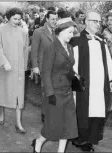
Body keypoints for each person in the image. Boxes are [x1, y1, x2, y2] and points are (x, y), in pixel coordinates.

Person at [69, 11, 112, 152]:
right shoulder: (76, 40)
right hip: (84, 84)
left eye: (99, 21)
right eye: (94, 21)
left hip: (99, 85)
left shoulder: (101, 41)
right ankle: (79, 139)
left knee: (96, 111)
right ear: (86, 22)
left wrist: (111, 78)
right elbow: (71, 63)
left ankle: (90, 138)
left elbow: (108, 61)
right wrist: (74, 82)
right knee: (82, 110)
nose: (98, 24)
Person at [31, 17, 78, 153]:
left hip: (67, 91)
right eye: (69, 32)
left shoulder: (70, 47)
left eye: (72, 32)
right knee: (53, 125)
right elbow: (46, 73)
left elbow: (68, 68)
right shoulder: (51, 49)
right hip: (55, 93)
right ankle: (38, 143)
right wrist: (50, 94)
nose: (71, 35)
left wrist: (75, 78)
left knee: (68, 124)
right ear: (60, 31)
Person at [0, 8, 29, 134]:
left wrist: (24, 68)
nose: (17, 21)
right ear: (8, 17)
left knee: (19, 95)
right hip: (5, 67)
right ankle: (1, 112)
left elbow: (25, 50)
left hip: (18, 69)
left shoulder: (23, 31)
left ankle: (18, 123)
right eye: (15, 19)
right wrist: (4, 62)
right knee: (4, 90)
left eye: (19, 19)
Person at [30, 10, 57, 122]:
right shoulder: (38, 32)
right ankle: (45, 114)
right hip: (43, 66)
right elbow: (34, 50)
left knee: (54, 90)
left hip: (56, 66)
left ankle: (52, 112)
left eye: (56, 19)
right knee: (46, 90)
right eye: (52, 19)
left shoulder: (57, 31)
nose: (55, 22)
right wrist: (35, 66)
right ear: (46, 19)